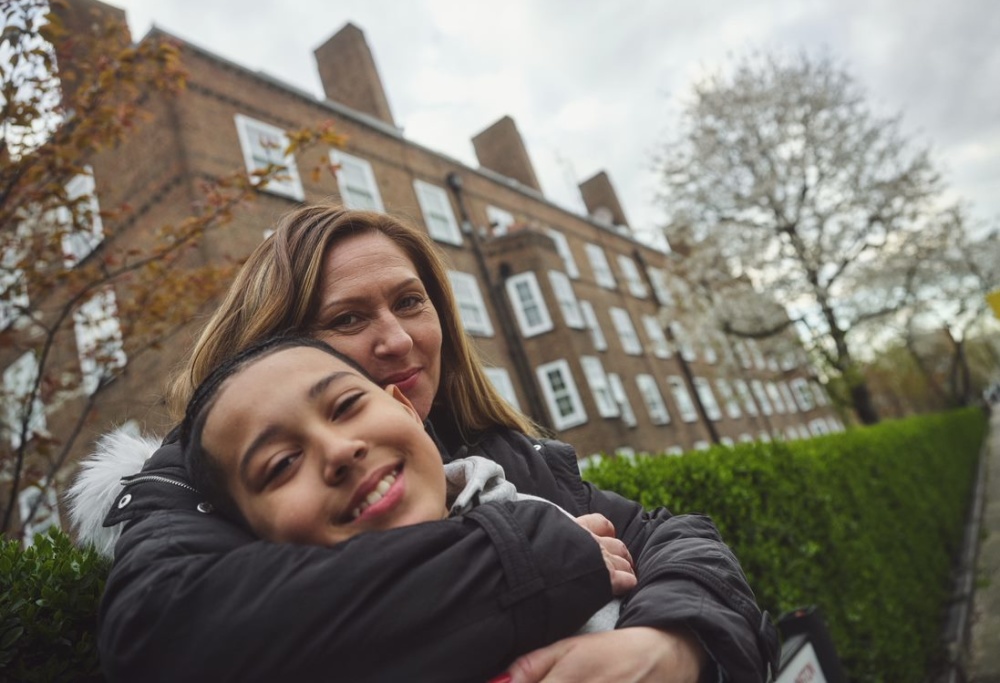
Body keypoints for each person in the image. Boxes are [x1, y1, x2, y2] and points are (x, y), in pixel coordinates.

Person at [70, 204, 779, 683]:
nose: (399, 338)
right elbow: (166, 630)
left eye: (410, 302)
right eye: (348, 317)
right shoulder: (197, 486)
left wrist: (671, 645)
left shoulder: (492, 452)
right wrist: (539, 548)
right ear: (278, 349)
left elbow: (670, 536)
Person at [179, 334, 627, 634]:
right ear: (246, 528)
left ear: (407, 410)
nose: (338, 450)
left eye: (346, 405)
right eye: (282, 463)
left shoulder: (546, 512)